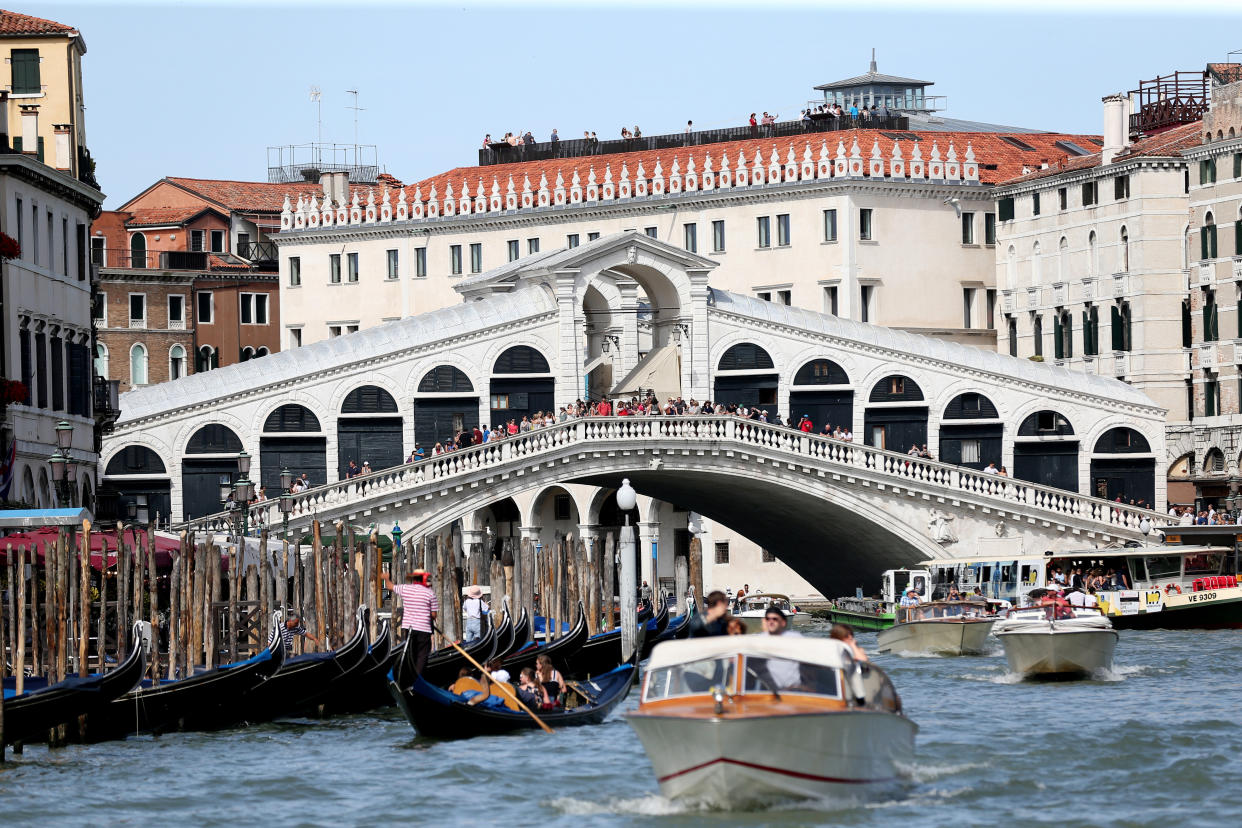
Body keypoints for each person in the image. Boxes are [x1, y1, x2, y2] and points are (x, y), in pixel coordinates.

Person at [382, 569, 438, 674]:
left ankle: (409, 674)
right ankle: (418, 676)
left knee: (411, 652)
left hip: (409, 628)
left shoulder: (405, 589)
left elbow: (390, 586)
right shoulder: (430, 593)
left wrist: (386, 578)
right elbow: (434, 615)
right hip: (423, 629)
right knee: (422, 655)